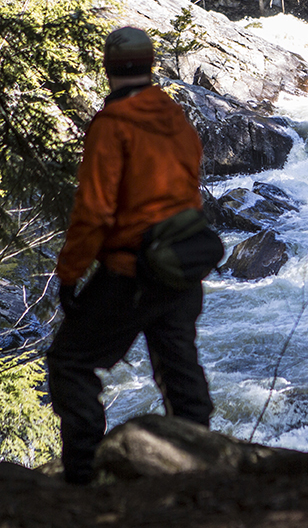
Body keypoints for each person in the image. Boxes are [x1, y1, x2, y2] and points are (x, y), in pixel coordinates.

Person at [46, 26, 214, 485]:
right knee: (178, 368)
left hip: (130, 272)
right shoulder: (175, 116)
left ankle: (82, 471)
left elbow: (95, 210)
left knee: (70, 362)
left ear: (109, 68)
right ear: (150, 65)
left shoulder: (112, 125)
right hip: (181, 267)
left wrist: (69, 275)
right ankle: (197, 469)